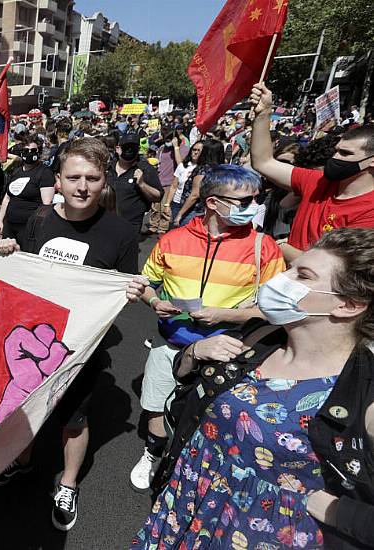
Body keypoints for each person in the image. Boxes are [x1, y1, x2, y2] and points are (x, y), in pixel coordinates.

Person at [130, 227, 374, 550]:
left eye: (302, 275)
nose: (281, 280)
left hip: (251, 534)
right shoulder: (261, 335)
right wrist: (192, 354)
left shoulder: (362, 396)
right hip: (185, 506)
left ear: (348, 305)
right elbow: (192, 396)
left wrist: (339, 512)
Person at [0, 138, 138, 531]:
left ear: (104, 181)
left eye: (92, 178)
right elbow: (21, 274)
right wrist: (7, 252)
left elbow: (122, 289)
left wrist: (131, 291)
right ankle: (20, 460)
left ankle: (68, 483)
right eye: (73, 177)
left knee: (73, 418)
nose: (82, 186)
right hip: (32, 338)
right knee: (23, 405)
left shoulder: (121, 234)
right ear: (57, 180)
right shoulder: (38, 220)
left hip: (81, 347)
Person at [130, 165, 285, 493]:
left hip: (229, 351)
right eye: (243, 201)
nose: (254, 206)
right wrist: (155, 302)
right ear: (213, 203)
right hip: (170, 343)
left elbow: (276, 311)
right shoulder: (172, 240)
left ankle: (189, 466)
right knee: (157, 405)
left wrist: (225, 315)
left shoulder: (264, 248)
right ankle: (152, 453)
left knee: (210, 417)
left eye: (256, 199)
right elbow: (146, 284)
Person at [250, 83, 374, 264]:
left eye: (345, 154)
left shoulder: (369, 211)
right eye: (336, 150)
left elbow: (336, 267)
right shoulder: (317, 181)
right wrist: (264, 113)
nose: (335, 157)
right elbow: (263, 162)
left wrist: (282, 247)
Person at [0, 137, 55, 243]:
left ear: (39, 152)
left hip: (29, 227)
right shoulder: (16, 172)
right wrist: (0, 221)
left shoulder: (44, 173)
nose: (29, 153)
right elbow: (7, 198)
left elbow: (46, 205)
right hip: (9, 225)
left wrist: (38, 228)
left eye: (33, 151)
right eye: (25, 151)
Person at [106, 133, 164, 233]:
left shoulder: (146, 169)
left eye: (133, 147)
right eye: (127, 147)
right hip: (107, 222)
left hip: (130, 225)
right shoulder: (108, 168)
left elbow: (158, 196)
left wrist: (142, 184)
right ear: (118, 149)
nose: (130, 150)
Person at [171, 138, 226, 228]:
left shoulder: (203, 170)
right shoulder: (222, 169)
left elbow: (195, 194)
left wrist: (180, 214)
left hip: (193, 211)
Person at [146, 129, 190, 235]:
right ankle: (153, 225)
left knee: (165, 205)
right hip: (159, 179)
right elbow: (158, 161)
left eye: (170, 139)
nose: (167, 141)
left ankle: (163, 226)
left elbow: (180, 163)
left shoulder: (183, 149)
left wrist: (176, 147)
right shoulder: (162, 148)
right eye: (166, 139)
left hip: (171, 181)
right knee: (155, 206)